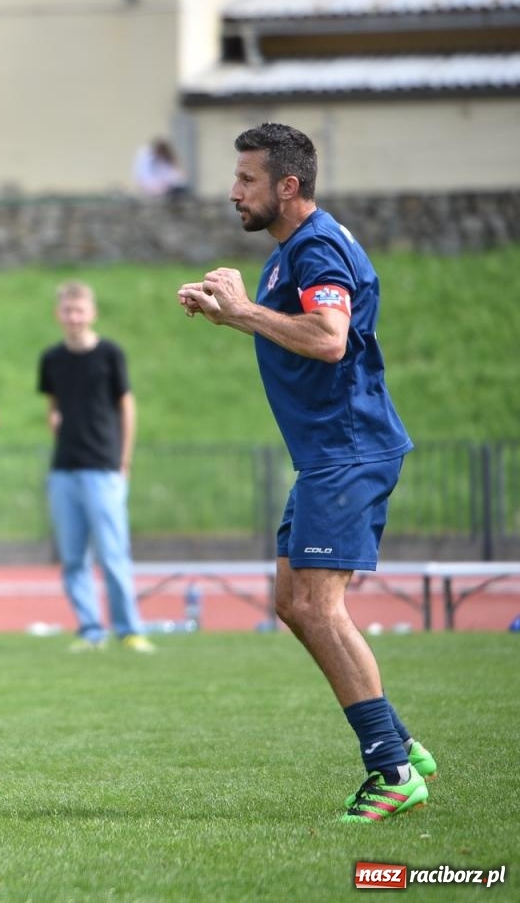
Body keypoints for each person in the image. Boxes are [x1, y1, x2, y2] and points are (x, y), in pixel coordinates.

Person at [177, 122, 436, 822]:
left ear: (287, 186)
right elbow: (293, 328)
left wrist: (244, 310)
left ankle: (390, 769)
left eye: (247, 180)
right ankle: (400, 744)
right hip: (328, 455)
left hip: (347, 451)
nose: (234, 192)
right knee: (294, 604)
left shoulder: (316, 245)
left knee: (319, 608)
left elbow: (328, 339)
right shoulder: (294, 249)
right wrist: (232, 316)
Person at [38, 281, 154, 655]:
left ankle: (129, 629)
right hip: (63, 470)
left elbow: (127, 407)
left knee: (112, 554)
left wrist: (124, 459)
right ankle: (90, 629)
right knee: (72, 557)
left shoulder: (109, 354)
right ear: (59, 315)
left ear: (92, 313)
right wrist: (54, 420)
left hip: (104, 467)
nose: (74, 317)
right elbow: (52, 404)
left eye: (80, 310)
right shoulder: (52, 359)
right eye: (68, 310)